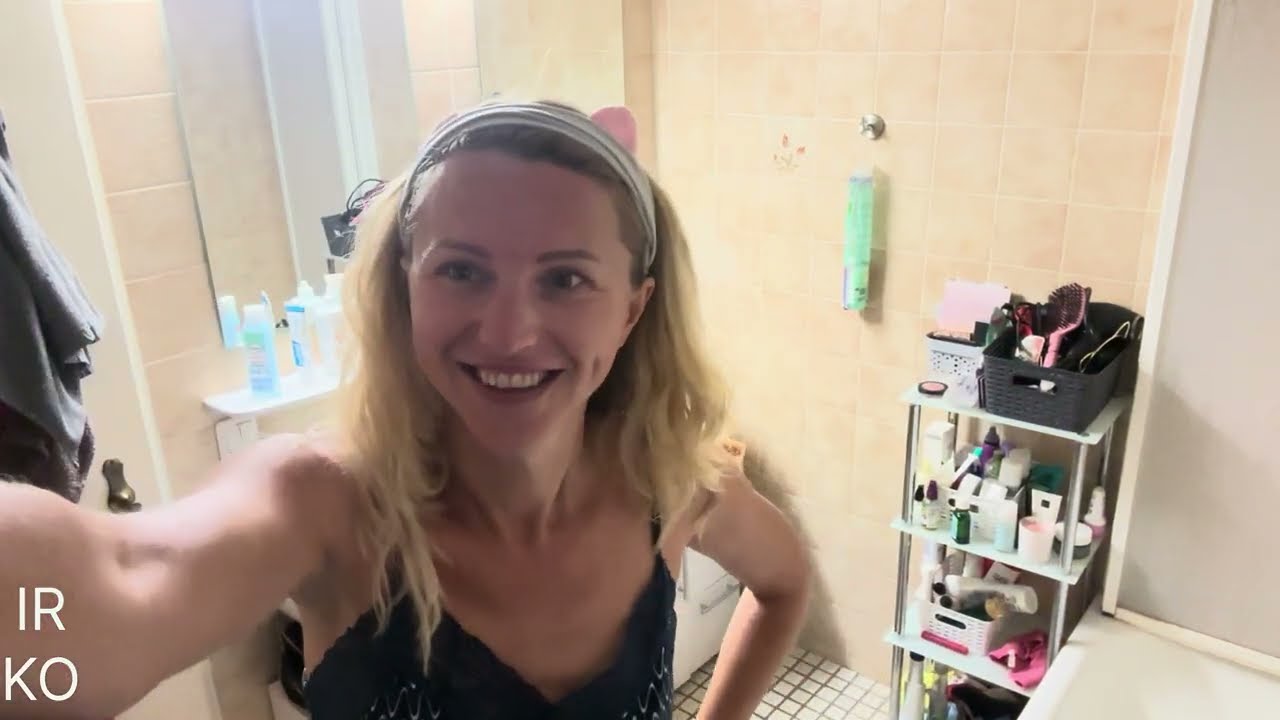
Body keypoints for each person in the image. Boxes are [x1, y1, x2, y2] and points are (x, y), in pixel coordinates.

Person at [0, 101, 810, 720]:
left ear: (631, 311)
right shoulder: (324, 507)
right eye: (461, 271)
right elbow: (117, 588)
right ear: (405, 287)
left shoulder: (668, 481)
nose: (509, 333)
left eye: (565, 279)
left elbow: (784, 584)